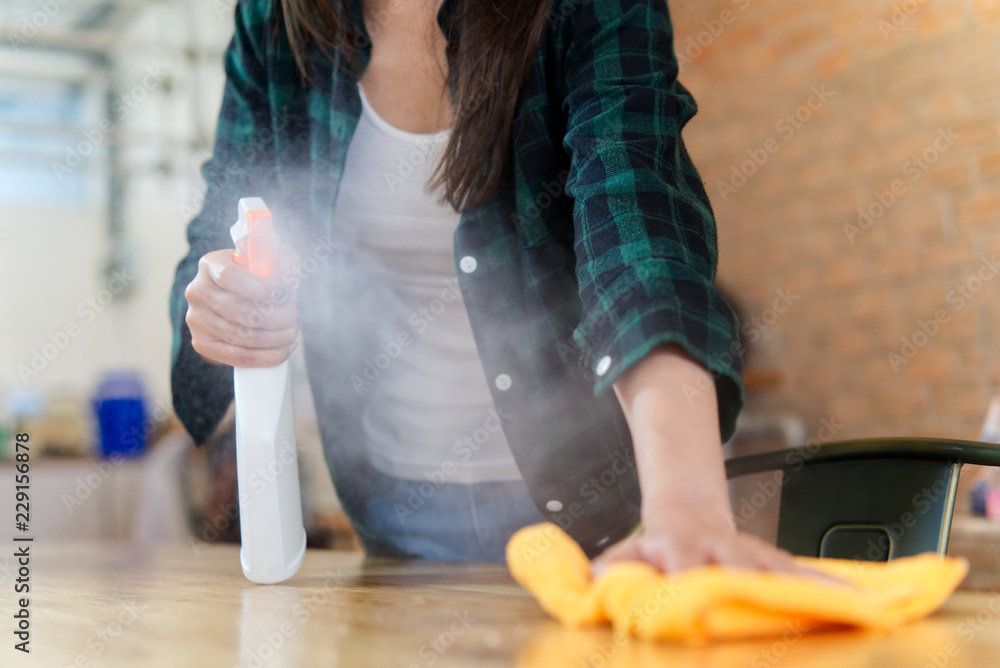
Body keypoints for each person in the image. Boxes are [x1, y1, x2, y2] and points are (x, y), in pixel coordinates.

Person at [170, 0, 813, 578]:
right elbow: (220, 220)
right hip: (393, 509)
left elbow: (638, 232)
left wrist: (689, 507)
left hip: (597, 504)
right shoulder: (275, 20)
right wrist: (219, 301)